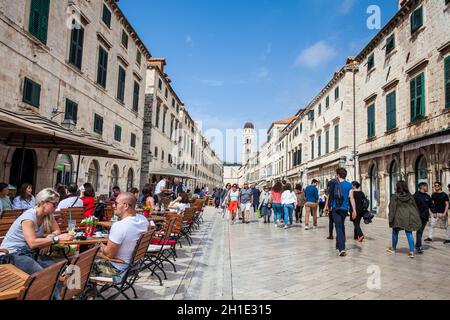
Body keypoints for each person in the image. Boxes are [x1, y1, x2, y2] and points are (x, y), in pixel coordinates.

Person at [2, 188, 74, 275]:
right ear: (44, 203)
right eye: (55, 204)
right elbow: (32, 243)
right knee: (43, 275)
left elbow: (57, 230)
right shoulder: (29, 218)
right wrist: (55, 239)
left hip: (30, 252)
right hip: (13, 254)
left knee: (56, 271)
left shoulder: (48, 215)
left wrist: (48, 240)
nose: (56, 207)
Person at [91, 193, 149, 279]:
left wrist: (99, 246)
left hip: (117, 268)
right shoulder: (143, 220)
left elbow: (109, 254)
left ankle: (86, 291)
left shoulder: (119, 226)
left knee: (78, 267)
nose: (113, 205)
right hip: (133, 266)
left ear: (125, 206)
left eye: (116, 203)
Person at [387, 181, 422, 259]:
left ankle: (393, 248)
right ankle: (412, 251)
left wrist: (390, 219)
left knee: (395, 232)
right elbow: (415, 206)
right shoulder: (410, 196)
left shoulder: (394, 196)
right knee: (409, 233)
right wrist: (416, 216)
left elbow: (392, 209)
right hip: (408, 217)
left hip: (398, 218)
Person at [329, 168, 353, 257]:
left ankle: (342, 248)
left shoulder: (334, 183)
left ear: (338, 174)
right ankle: (338, 244)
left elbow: (330, 196)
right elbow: (352, 198)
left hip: (336, 208)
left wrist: (327, 207)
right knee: (341, 225)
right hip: (344, 209)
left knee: (338, 227)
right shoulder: (349, 185)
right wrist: (353, 209)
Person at [414, 182, 434, 254]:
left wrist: (434, 212)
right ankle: (418, 246)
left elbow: (431, 205)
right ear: (422, 187)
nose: (427, 188)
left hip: (425, 217)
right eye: (426, 186)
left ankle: (417, 245)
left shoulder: (427, 196)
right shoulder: (416, 195)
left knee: (420, 231)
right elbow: (412, 205)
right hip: (418, 216)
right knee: (419, 231)